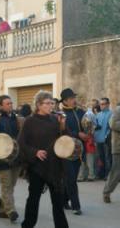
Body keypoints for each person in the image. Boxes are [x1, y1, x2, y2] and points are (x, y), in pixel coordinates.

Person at [18, 91, 69, 228]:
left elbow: (64, 140)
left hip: (55, 165)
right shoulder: (30, 121)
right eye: (47, 103)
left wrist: (63, 126)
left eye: (52, 103)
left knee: (58, 202)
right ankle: (27, 225)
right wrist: (35, 152)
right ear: (39, 105)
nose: (51, 106)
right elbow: (22, 142)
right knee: (33, 200)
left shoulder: (55, 119)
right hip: (37, 167)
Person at [0, 95, 22, 222]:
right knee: (6, 185)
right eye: (7, 103)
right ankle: (11, 211)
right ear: (0, 106)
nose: (10, 105)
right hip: (2, 158)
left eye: (11, 103)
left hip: (15, 157)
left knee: (11, 185)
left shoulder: (15, 118)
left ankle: (1, 209)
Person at [60, 88, 85, 215]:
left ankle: (63, 201)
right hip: (66, 150)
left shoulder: (80, 111)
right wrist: (78, 134)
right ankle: (76, 206)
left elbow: (86, 125)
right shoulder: (60, 114)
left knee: (72, 178)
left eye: (74, 98)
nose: (74, 100)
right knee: (71, 179)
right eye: (71, 99)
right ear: (65, 101)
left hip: (79, 150)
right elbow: (63, 131)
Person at [94, 98, 112, 179]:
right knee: (100, 158)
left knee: (108, 157)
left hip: (106, 139)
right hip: (98, 139)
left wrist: (106, 136)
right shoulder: (98, 115)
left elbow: (111, 127)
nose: (102, 106)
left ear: (108, 104)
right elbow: (95, 126)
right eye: (100, 104)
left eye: (104, 104)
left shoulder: (112, 114)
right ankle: (101, 174)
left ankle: (108, 174)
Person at [78, 105, 96, 182]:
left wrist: (89, 134)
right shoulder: (83, 119)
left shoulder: (87, 118)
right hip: (83, 141)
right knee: (83, 159)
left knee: (89, 159)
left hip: (88, 141)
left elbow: (92, 127)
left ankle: (89, 175)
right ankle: (83, 175)